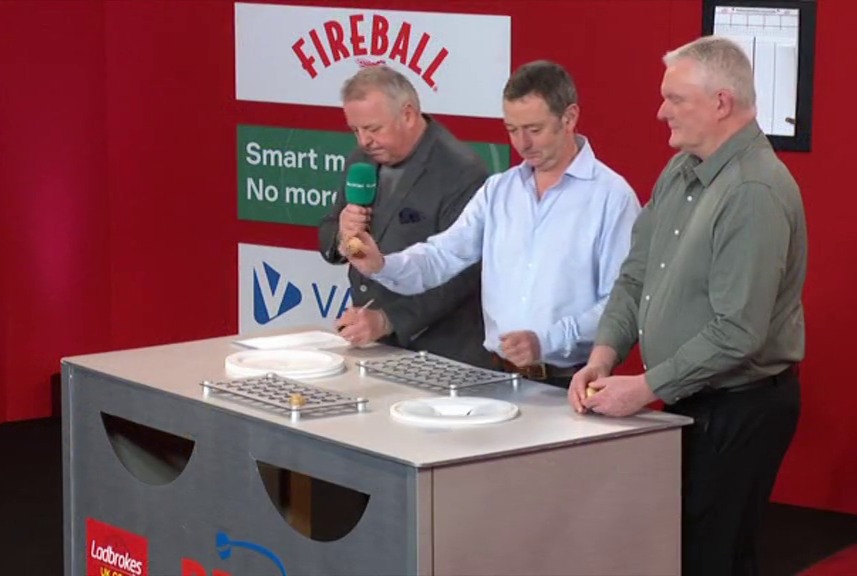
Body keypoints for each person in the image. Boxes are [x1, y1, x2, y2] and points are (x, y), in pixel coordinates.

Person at [569, 36, 806, 575]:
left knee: (711, 559)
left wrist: (645, 388)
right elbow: (635, 276)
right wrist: (604, 355)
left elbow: (737, 331)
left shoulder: (752, 191)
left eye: (675, 99)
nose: (660, 111)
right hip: (691, 398)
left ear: (721, 102)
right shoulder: (681, 170)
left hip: (740, 407)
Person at [342, 60, 641, 388]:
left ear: (569, 118)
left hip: (568, 382)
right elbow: (442, 256)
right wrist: (383, 264)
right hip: (493, 376)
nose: (522, 144)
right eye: (512, 130)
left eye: (534, 129)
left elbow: (619, 304)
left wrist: (547, 341)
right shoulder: (499, 190)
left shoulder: (611, 198)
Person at [318, 65, 493, 368]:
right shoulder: (361, 161)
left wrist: (388, 319)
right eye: (355, 130)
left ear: (408, 115)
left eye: (373, 129)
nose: (363, 141)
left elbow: (465, 272)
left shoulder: (461, 171)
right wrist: (343, 236)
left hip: (444, 355)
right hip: (372, 348)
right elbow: (329, 229)